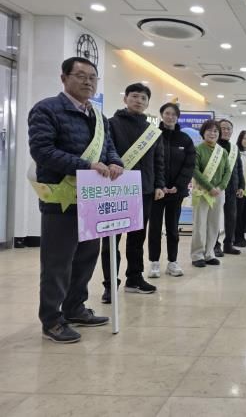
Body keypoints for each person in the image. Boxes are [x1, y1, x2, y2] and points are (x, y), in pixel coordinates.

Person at [28, 57, 123, 343]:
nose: (88, 81)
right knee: (57, 263)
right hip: (61, 200)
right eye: (81, 76)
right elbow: (42, 151)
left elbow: (109, 149)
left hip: (92, 201)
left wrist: (115, 163)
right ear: (64, 78)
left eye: (92, 77)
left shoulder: (98, 116)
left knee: (85, 259)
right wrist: (86, 166)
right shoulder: (47, 109)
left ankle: (75, 308)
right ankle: (52, 320)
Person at [100, 83, 165, 303]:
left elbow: (158, 161)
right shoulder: (111, 124)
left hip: (144, 190)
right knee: (111, 239)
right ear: (125, 98)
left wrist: (159, 185)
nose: (139, 101)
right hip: (116, 189)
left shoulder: (152, 131)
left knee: (137, 238)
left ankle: (134, 278)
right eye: (135, 96)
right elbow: (104, 152)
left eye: (143, 98)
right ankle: (110, 284)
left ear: (148, 103)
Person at [147, 103, 195, 278]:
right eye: (167, 113)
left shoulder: (185, 139)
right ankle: (154, 262)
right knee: (154, 228)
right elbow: (149, 163)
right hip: (156, 192)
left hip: (176, 192)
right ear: (161, 115)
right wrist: (157, 185)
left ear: (178, 117)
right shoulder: (152, 135)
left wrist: (179, 185)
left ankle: (172, 262)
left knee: (173, 228)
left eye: (174, 114)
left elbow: (189, 165)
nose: (170, 117)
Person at [190, 120, 229, 267]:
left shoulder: (222, 152)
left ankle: (209, 253)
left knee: (214, 224)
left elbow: (227, 171)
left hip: (218, 192)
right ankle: (197, 255)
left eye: (215, 131)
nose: (212, 133)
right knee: (200, 224)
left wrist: (221, 187)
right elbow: (194, 170)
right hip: (202, 192)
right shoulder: (197, 149)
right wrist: (209, 187)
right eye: (209, 130)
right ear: (203, 132)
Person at [213, 119, 245, 256]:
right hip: (216, 188)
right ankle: (214, 245)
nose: (226, 131)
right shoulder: (213, 146)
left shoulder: (234, 148)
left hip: (232, 188)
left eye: (229, 129)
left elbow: (239, 168)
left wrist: (241, 186)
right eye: (223, 128)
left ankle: (228, 244)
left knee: (231, 217)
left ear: (232, 131)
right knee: (215, 218)